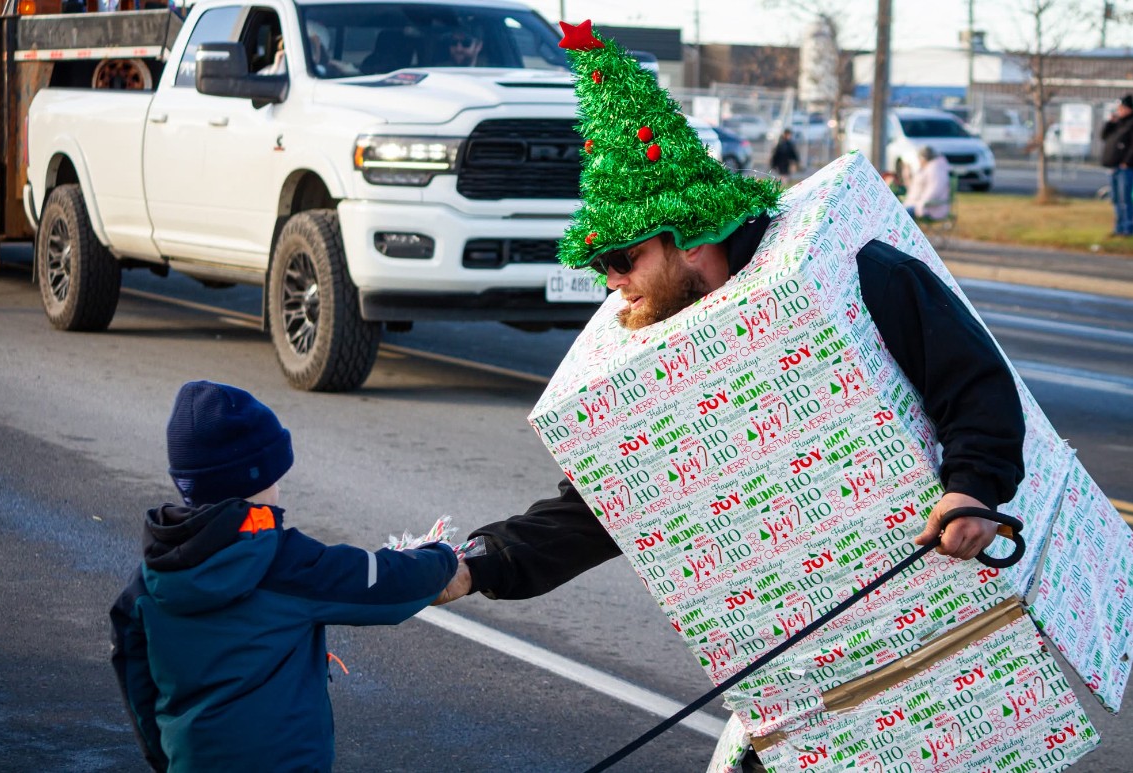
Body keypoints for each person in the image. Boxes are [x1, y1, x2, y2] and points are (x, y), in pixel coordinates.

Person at [434, 20, 1024, 772]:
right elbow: (608, 502)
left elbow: (971, 380)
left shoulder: (851, 269)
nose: (610, 280)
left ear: (688, 234)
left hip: (936, 624)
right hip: (795, 660)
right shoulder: (673, 337)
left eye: (621, 256)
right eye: (597, 263)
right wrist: (479, 562)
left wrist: (971, 487)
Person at [110, 380, 457, 773]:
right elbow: (386, 583)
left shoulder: (149, 580)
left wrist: (166, 757)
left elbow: (136, 682)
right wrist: (441, 556)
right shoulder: (283, 561)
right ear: (257, 480)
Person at [1100, 94, 1133, 236]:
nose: (1119, 110)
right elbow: (1104, 136)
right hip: (1113, 166)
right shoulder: (1118, 123)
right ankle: (1119, 227)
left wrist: (1127, 161)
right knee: (1115, 199)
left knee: (1124, 199)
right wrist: (1110, 122)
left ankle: (1128, 228)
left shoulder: (1132, 123)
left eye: (1121, 108)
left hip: (1125, 167)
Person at [903, 145, 951, 221]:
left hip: (932, 208)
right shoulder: (930, 168)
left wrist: (921, 204)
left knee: (902, 214)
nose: (918, 161)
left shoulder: (935, 169)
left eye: (919, 158)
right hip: (924, 204)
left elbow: (934, 190)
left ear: (923, 159)